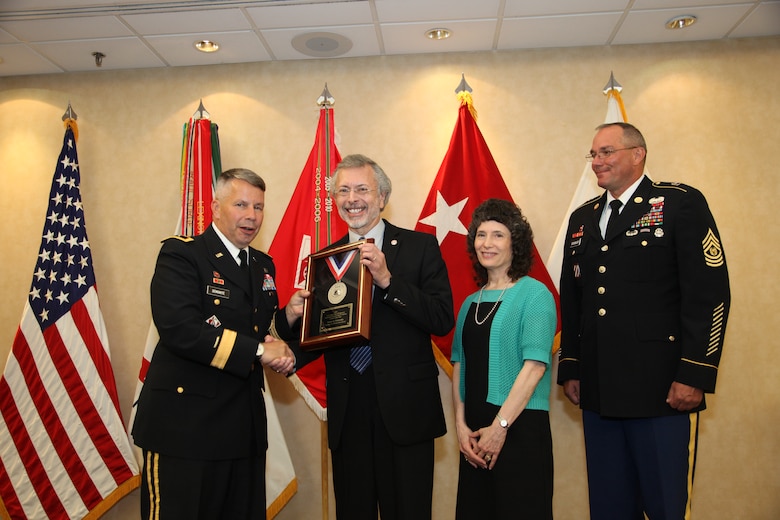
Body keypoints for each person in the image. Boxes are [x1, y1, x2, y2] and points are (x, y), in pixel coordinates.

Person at [557, 122, 731, 519]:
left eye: (607, 152)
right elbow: (574, 298)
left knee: (664, 505)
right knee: (609, 506)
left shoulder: (678, 203)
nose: (597, 162)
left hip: (661, 391)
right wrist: (572, 366)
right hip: (599, 392)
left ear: (638, 154)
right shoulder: (582, 218)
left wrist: (695, 373)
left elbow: (709, 293)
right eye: (593, 154)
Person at [132, 168, 300, 520]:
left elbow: (259, 330)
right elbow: (180, 329)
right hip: (185, 430)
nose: (251, 216)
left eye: (258, 207)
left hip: (244, 429)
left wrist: (289, 317)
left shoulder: (262, 265)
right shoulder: (183, 255)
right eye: (240, 204)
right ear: (215, 207)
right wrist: (258, 351)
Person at [293, 154, 454, 520]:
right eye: (343, 191)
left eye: (362, 189)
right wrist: (284, 344)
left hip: (406, 410)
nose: (353, 198)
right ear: (334, 201)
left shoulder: (420, 247)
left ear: (382, 197)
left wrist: (388, 281)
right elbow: (320, 334)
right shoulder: (324, 259)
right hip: (349, 411)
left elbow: (442, 318)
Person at [451, 198, 557, 519]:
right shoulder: (470, 302)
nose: (487, 243)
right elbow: (459, 365)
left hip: (520, 428)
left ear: (516, 243)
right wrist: (460, 424)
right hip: (474, 437)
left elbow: (535, 366)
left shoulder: (535, 294)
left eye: (498, 235)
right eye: (481, 235)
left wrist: (500, 427)